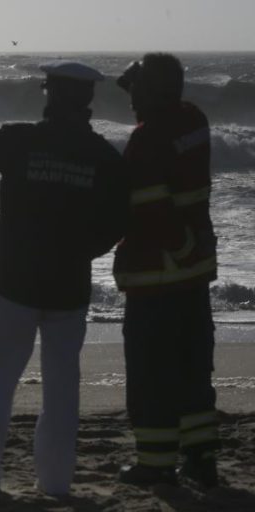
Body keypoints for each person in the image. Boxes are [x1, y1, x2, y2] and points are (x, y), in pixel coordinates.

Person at [0, 61, 128, 496]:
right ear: (87, 99)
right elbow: (121, 215)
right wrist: (86, 250)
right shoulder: (101, 155)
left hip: (14, 282)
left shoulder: (23, 141)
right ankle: (56, 483)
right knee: (63, 392)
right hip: (68, 288)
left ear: (49, 93)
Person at [113, 53, 220, 488]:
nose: (130, 95)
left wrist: (180, 247)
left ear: (154, 92)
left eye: (138, 88)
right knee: (193, 370)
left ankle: (155, 465)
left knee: (151, 374)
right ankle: (200, 460)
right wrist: (192, 250)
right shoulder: (194, 121)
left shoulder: (147, 140)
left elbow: (153, 209)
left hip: (155, 280)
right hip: (193, 275)